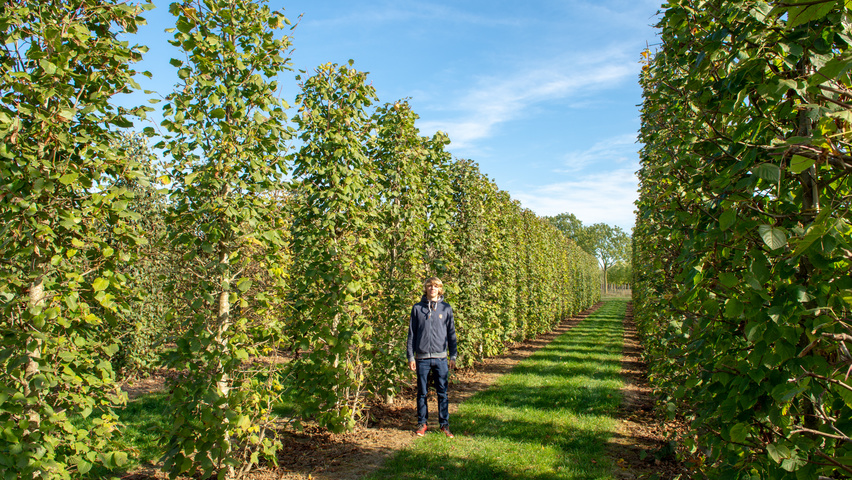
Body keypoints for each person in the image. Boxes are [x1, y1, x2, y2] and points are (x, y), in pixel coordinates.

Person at [407, 276, 458, 438]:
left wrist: (453, 355)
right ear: (426, 288)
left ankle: (444, 425)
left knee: (442, 393)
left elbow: (451, 334)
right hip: (422, 358)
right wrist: (410, 356)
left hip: (441, 358)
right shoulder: (417, 309)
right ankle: (422, 424)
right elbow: (412, 335)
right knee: (422, 392)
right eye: (429, 286)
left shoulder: (446, 309)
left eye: (435, 286)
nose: (432, 288)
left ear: (440, 289)